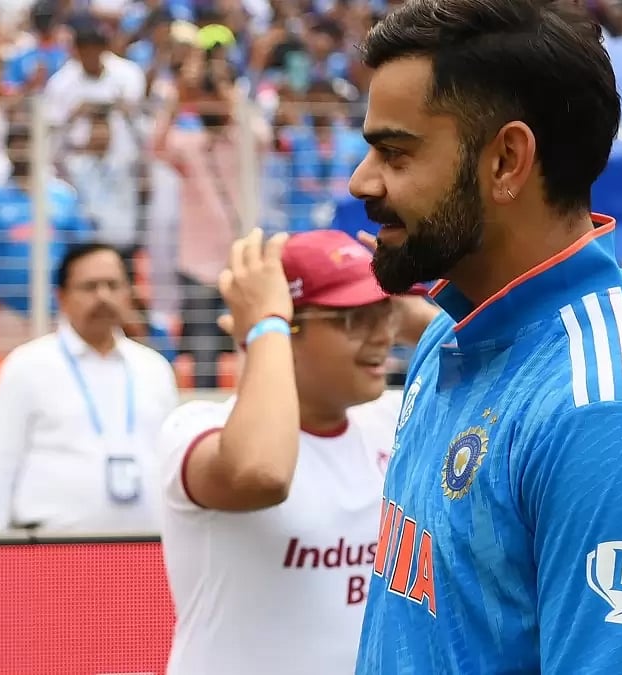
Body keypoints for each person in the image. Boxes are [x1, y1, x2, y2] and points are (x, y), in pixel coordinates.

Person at [349, 0, 622, 672]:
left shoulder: (612, 413)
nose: (362, 180)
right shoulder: (448, 335)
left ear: (506, 159)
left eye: (394, 151)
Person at [157, 229, 436, 674]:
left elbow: (505, 360)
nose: (383, 338)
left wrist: (405, 311)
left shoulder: (392, 418)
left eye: (383, 314)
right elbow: (262, 474)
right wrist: (265, 326)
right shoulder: (198, 429)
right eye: (351, 320)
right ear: (285, 328)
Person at [0, 242, 179, 534]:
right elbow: (0, 462)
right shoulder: (27, 366)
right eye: (90, 287)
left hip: (146, 548)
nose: (103, 296)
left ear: (129, 292)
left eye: (113, 285)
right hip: (53, 550)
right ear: (62, 296)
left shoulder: (154, 368)